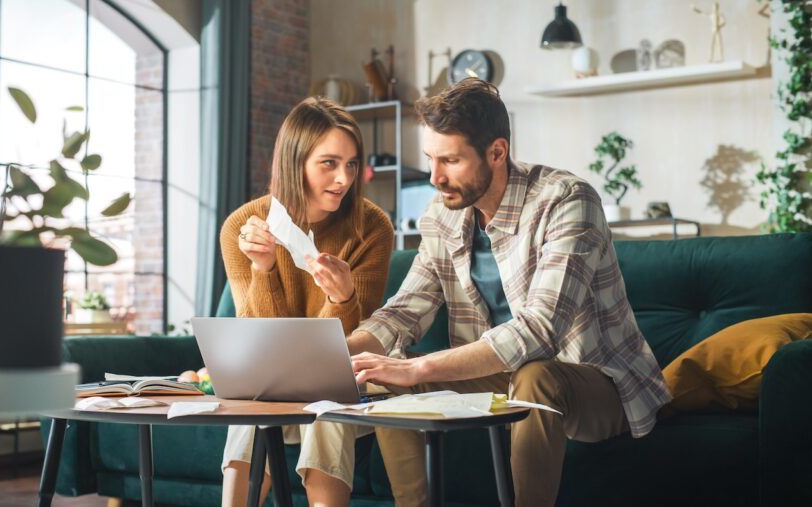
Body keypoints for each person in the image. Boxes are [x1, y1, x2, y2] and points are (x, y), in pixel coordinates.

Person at [345, 78, 671, 507]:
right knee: (385, 376)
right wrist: (335, 355)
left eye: (451, 161)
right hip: (503, 375)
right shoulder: (442, 217)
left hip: (595, 380)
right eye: (430, 159)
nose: (434, 177)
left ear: (497, 152)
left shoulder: (567, 200)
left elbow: (540, 332)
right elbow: (404, 314)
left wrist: (420, 368)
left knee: (535, 374)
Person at [219, 96, 394, 507]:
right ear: (295, 162)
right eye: (329, 163)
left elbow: (350, 343)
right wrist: (264, 268)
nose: (344, 178)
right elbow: (259, 341)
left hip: (350, 378)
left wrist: (343, 297)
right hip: (272, 381)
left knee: (327, 394)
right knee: (249, 402)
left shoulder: (372, 227)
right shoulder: (242, 227)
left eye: (351, 164)